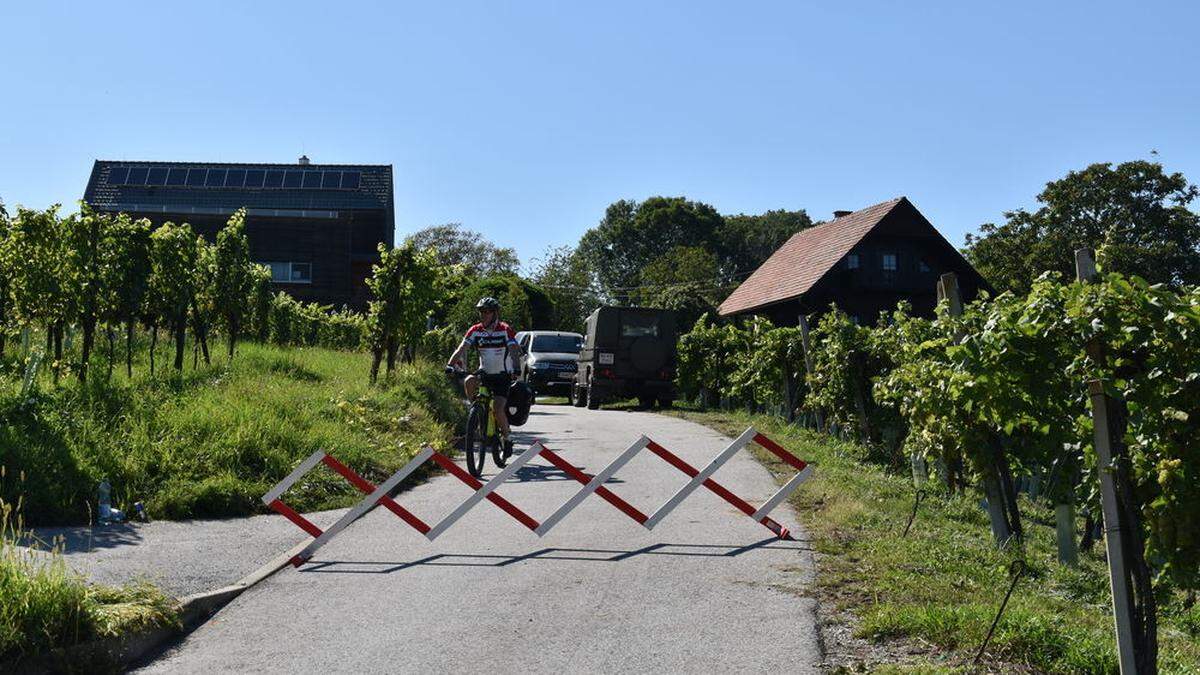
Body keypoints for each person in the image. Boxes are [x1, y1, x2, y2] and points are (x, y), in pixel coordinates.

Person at [447, 297, 519, 452]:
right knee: (469, 380)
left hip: (502, 375)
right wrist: (450, 365)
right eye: (481, 311)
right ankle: (476, 410)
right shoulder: (475, 330)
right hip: (485, 373)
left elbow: (513, 350)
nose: (484, 315)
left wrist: (517, 368)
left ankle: (507, 438)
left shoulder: (504, 329)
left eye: (487, 312)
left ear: (495, 313)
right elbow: (461, 348)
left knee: (499, 409)